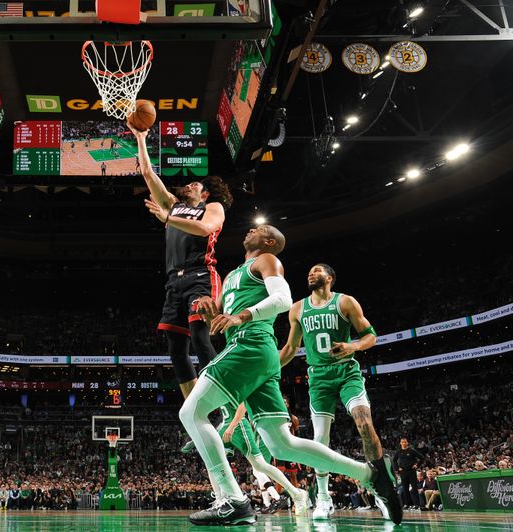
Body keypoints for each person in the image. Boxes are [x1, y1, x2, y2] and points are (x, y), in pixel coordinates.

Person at [180, 225, 402, 526]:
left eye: (260, 229)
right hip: (256, 352)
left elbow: (283, 299)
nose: (251, 229)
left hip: (251, 345)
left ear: (270, 242)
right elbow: (223, 320)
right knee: (281, 445)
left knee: (191, 412)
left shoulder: (266, 260)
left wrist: (241, 316)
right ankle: (369, 474)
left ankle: (233, 500)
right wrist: (210, 313)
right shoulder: (234, 274)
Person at [130, 124, 233, 451]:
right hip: (174, 283)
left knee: (201, 339)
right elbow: (148, 175)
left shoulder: (212, 208)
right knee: (176, 349)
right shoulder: (174, 205)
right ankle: (198, 414)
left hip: (202, 276)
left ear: (204, 194)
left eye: (195, 183)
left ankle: (227, 411)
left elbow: (204, 229)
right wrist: (141, 138)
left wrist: (166, 217)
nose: (188, 183)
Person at [278, 263, 390, 520]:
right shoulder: (298, 308)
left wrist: (353, 346)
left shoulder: (346, 302)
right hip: (318, 379)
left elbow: (370, 336)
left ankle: (380, 490)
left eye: (317, 270)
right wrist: (267, 368)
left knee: (364, 423)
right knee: (320, 439)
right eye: (309, 271)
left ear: (329, 278)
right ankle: (324, 497)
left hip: (346, 372)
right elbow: (289, 349)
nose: (310, 273)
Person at [219, 401, 308, 515]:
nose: (284, 403)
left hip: (276, 444)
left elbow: (295, 433)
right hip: (263, 441)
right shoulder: (257, 410)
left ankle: (286, 497)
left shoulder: (290, 417)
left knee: (264, 470)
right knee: (260, 471)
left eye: (286, 401)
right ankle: (271, 501)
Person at [393, 437, 425, 509]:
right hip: (403, 472)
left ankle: (417, 504)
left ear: (407, 443)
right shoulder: (398, 452)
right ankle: (407, 504)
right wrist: (397, 468)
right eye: (402, 442)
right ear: (400, 443)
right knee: (405, 488)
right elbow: (394, 460)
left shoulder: (412, 451)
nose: (404, 443)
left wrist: (417, 465)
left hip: (411, 471)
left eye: (405, 442)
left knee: (414, 488)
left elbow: (422, 458)